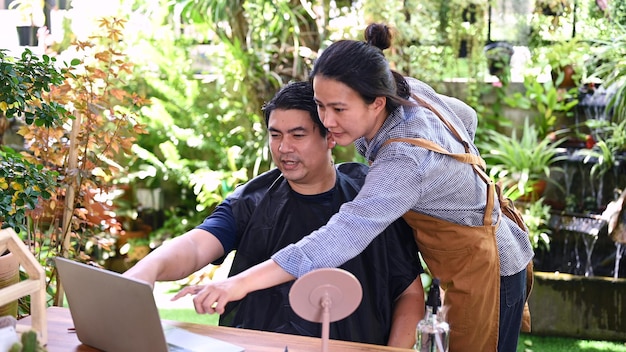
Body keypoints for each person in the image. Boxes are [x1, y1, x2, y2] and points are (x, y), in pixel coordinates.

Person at [177, 24, 535, 352]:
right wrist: (451, 180)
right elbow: (465, 116)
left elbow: (337, 239)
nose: (326, 121)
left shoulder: (404, 162)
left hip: (488, 267)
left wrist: (236, 285)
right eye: (320, 105)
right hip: (464, 256)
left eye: (338, 108)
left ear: (376, 102)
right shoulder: (408, 91)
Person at [124, 81, 425, 348]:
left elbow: (409, 295)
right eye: (275, 135)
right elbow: (196, 245)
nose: (283, 148)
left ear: (330, 137)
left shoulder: (373, 197)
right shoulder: (252, 200)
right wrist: (146, 271)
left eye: (297, 135)